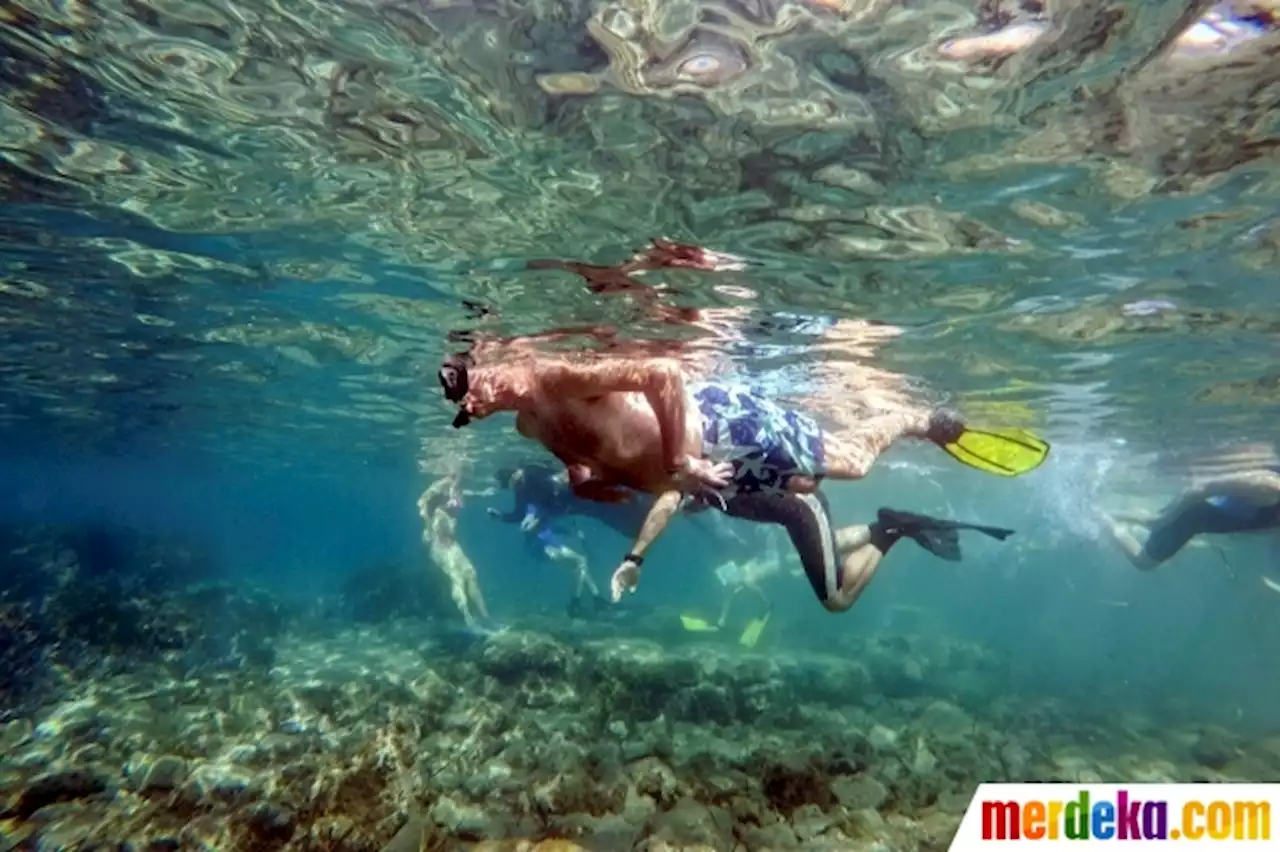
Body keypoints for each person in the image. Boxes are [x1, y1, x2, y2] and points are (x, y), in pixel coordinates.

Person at [1102, 468, 1280, 577]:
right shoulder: (1269, 485)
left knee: (1152, 522)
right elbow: (1200, 488)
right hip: (1186, 518)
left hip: (1194, 516)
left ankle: (1112, 513)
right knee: (1144, 563)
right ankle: (1108, 524)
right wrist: (1161, 520)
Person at [417, 473, 493, 629]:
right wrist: (426, 526)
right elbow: (422, 503)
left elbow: (468, 496)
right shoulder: (437, 503)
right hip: (440, 548)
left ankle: (486, 618)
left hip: (453, 546)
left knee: (470, 574)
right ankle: (468, 619)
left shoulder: (455, 495)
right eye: (455, 480)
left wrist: (485, 492)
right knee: (457, 579)